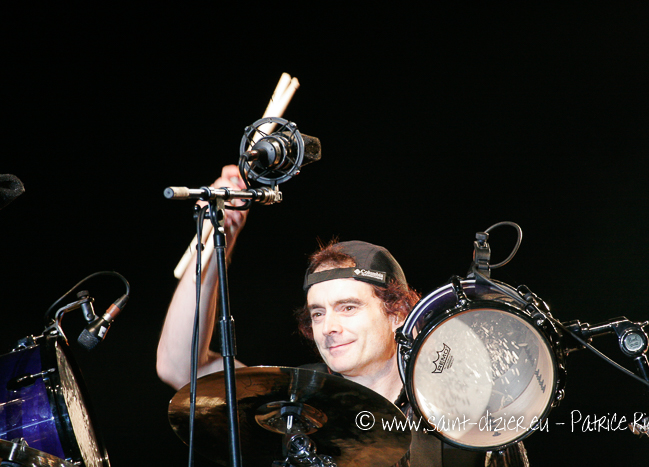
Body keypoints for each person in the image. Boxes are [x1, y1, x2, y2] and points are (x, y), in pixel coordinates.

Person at [157, 165, 527, 467]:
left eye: (348, 307)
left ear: (398, 313)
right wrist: (216, 239)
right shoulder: (297, 401)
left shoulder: (464, 412)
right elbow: (178, 367)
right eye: (318, 313)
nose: (329, 328)